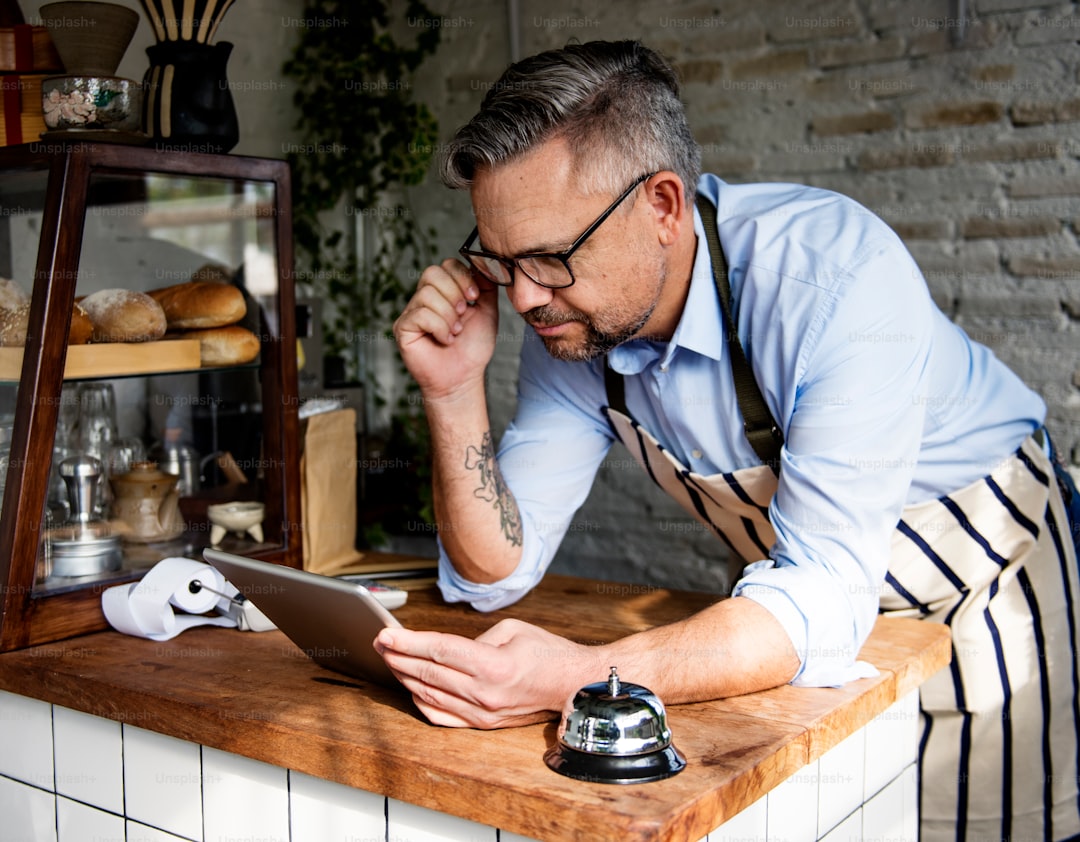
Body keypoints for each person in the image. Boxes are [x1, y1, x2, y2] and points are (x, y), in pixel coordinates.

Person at [379, 40, 1080, 842]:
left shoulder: (834, 278)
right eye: (503, 261)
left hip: (985, 582)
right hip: (797, 617)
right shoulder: (572, 325)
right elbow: (494, 572)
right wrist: (452, 390)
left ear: (663, 207)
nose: (526, 299)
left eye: (550, 257)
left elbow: (822, 593)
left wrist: (574, 676)